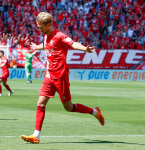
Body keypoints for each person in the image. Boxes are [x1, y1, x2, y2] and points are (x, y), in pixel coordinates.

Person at [21, 12, 105, 144]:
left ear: (48, 25)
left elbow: (73, 43)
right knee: (40, 103)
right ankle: (36, 135)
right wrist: (36, 47)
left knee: (69, 107)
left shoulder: (60, 36)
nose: (39, 29)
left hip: (60, 77)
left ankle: (94, 112)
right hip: (49, 76)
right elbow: (46, 45)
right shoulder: (46, 36)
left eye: (40, 27)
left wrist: (84, 49)